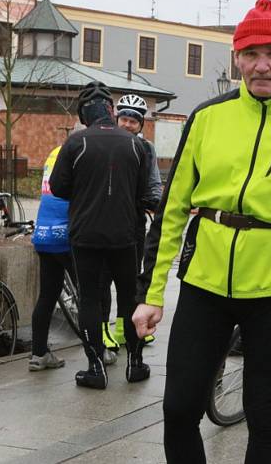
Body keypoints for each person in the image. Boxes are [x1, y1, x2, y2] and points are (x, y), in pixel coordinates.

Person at [132, 0, 271, 464]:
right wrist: (150, 293)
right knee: (177, 409)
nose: (262, 66)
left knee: (264, 417)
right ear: (236, 58)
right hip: (204, 285)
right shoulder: (208, 117)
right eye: (252, 54)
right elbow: (172, 208)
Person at [50, 81, 150, 390]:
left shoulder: (75, 143)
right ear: (111, 110)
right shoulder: (136, 145)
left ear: (83, 115)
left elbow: (58, 188)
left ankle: (96, 367)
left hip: (86, 235)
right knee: (130, 297)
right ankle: (135, 363)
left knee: (91, 299)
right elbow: (145, 192)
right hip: (125, 235)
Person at [100, 94, 162, 356]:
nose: (128, 125)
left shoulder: (146, 148)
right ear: (117, 119)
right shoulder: (105, 143)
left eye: (133, 121)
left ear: (141, 125)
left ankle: (125, 329)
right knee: (102, 280)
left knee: (130, 281)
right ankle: (103, 329)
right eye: (124, 119)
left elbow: (153, 181)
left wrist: (157, 203)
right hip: (103, 222)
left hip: (134, 223)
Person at [28, 144, 74, 371]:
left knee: (47, 295)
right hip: (68, 233)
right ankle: (98, 352)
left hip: (43, 231)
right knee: (91, 293)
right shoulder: (80, 151)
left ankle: (39, 354)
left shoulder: (54, 151)